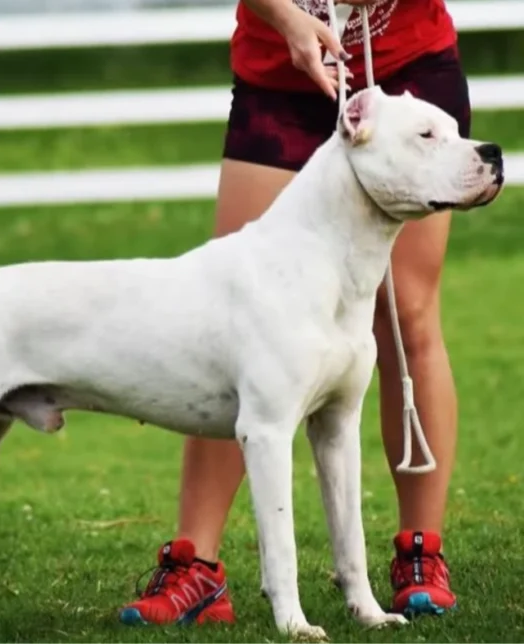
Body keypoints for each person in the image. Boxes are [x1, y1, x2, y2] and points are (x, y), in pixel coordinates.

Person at [119, 0, 468, 626]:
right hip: (280, 70)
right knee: (234, 320)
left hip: (404, 63)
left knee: (407, 314)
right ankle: (195, 566)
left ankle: (420, 552)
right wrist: (284, 16)